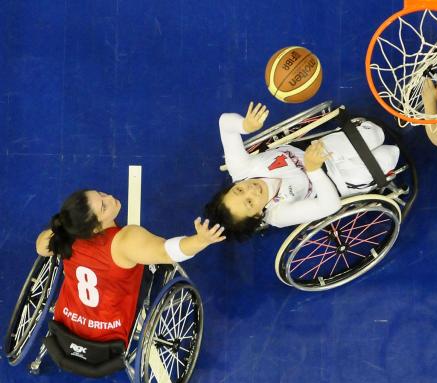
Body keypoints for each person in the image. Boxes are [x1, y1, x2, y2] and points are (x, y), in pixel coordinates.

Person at [35, 189, 225, 343]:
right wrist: (200, 240)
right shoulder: (124, 241)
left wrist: (69, 222)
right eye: (103, 206)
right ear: (94, 228)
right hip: (109, 337)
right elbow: (166, 252)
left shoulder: (65, 235)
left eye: (101, 194)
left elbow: (41, 248)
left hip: (64, 327)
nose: (109, 197)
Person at [204, 102, 399, 241]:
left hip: (320, 150)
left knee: (375, 133)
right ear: (257, 215)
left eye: (239, 190)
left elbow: (224, 123)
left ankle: (364, 137)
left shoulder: (240, 169)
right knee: (389, 156)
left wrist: (244, 126)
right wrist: (313, 170)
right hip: (338, 182)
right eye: (249, 202)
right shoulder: (278, 215)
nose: (250, 190)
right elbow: (330, 206)